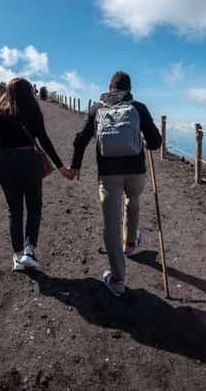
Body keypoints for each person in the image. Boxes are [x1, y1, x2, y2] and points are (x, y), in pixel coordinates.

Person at [68, 71, 162, 296]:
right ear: (129, 89)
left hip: (108, 173)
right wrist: (145, 143)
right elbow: (156, 142)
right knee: (134, 201)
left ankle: (118, 279)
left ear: (109, 87)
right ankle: (130, 244)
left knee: (111, 224)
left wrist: (76, 166)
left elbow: (80, 139)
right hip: (136, 171)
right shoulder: (138, 107)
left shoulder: (97, 109)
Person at [0, 78, 71, 272]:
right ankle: (29, 251)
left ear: (9, 92)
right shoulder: (33, 111)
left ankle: (16, 257)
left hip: (6, 163)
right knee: (34, 208)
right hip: (29, 161)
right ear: (30, 92)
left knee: (14, 212)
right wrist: (60, 166)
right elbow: (45, 141)